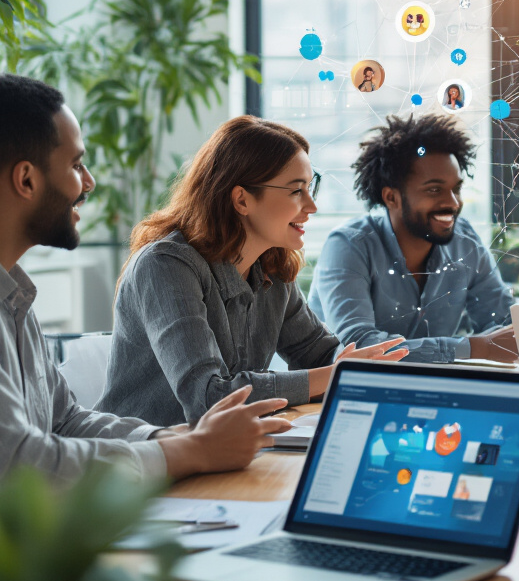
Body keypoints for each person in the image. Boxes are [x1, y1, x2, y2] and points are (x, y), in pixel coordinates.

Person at [0, 75, 291, 512]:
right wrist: (189, 452)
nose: (89, 182)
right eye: (76, 164)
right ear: (26, 180)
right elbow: (12, 472)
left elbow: (64, 420)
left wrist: (177, 437)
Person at [97, 117, 406, 427]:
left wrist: (356, 367)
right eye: (296, 191)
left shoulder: (272, 267)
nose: (311, 206)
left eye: (311, 187)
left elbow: (320, 353)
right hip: (140, 453)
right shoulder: (165, 265)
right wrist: (336, 374)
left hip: (227, 450)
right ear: (242, 199)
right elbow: (209, 399)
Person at [308, 113, 516, 363]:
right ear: (391, 198)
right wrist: (475, 348)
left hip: (436, 385)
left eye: (456, 189)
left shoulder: (465, 241)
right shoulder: (348, 246)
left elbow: (504, 324)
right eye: (434, 189)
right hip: (346, 386)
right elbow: (359, 346)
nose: (453, 203)